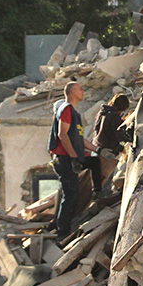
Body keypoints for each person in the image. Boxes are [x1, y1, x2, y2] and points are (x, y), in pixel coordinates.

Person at [48, 81, 95, 244]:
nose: (83, 91)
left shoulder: (73, 113)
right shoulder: (67, 109)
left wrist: (97, 149)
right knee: (70, 195)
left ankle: (66, 228)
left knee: (72, 194)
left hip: (68, 157)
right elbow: (63, 134)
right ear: (73, 92)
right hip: (64, 159)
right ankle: (62, 234)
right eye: (80, 89)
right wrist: (73, 156)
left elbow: (79, 139)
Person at [92, 94, 132, 193]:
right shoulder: (114, 116)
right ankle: (103, 199)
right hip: (107, 151)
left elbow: (98, 130)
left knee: (96, 179)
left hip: (97, 147)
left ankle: (94, 198)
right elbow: (118, 134)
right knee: (106, 179)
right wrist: (126, 143)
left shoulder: (102, 113)